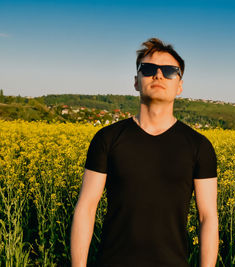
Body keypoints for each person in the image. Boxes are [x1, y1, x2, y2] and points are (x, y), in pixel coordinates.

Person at [70, 38, 219, 267]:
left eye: (169, 71)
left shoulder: (199, 146)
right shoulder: (107, 139)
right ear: (136, 82)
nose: (158, 75)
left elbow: (207, 217)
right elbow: (86, 208)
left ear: (179, 86)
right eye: (148, 69)